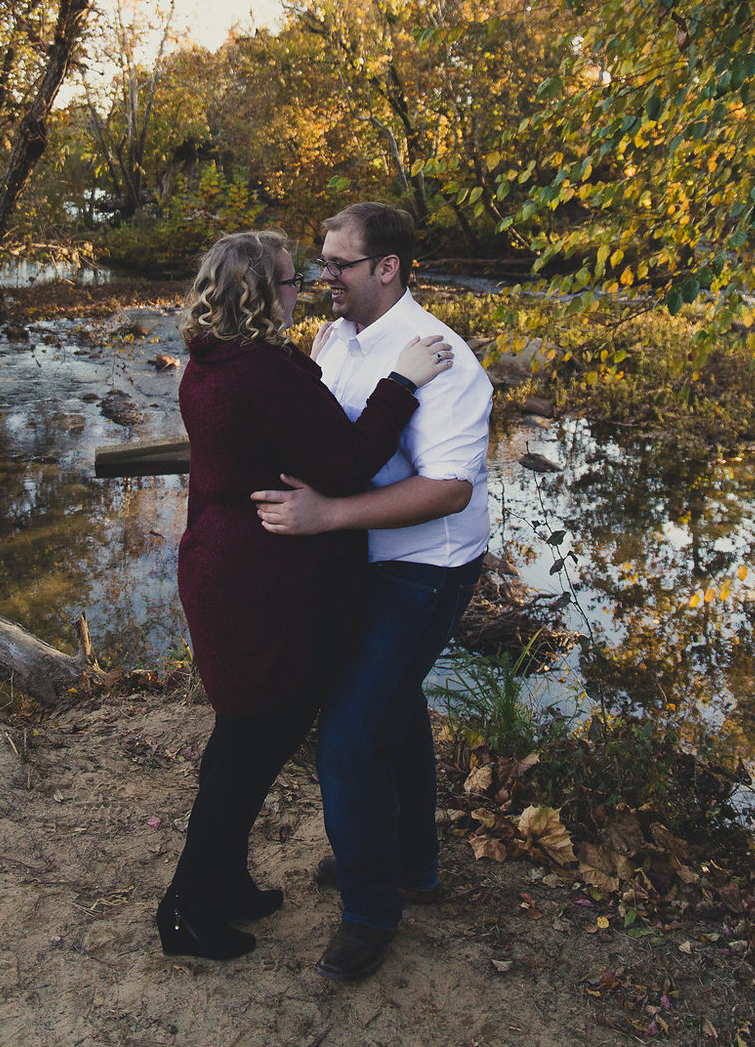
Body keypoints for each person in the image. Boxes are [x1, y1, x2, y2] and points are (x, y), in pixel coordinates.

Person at [159, 229, 454, 962]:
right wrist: (402, 382)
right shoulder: (260, 371)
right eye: (294, 280)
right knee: (249, 749)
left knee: (242, 740)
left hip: (228, 569)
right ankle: (185, 910)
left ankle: (222, 882)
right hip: (258, 583)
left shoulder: (211, 357)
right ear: (262, 295)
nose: (309, 287)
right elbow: (348, 462)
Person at [253, 202, 493, 982]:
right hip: (362, 556)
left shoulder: (441, 356)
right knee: (396, 710)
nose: (323, 278)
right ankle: (411, 865)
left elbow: (451, 489)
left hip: (427, 565)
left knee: (350, 739)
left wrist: (327, 515)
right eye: (321, 264)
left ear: (386, 267)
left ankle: (370, 911)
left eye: (338, 265)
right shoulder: (335, 335)